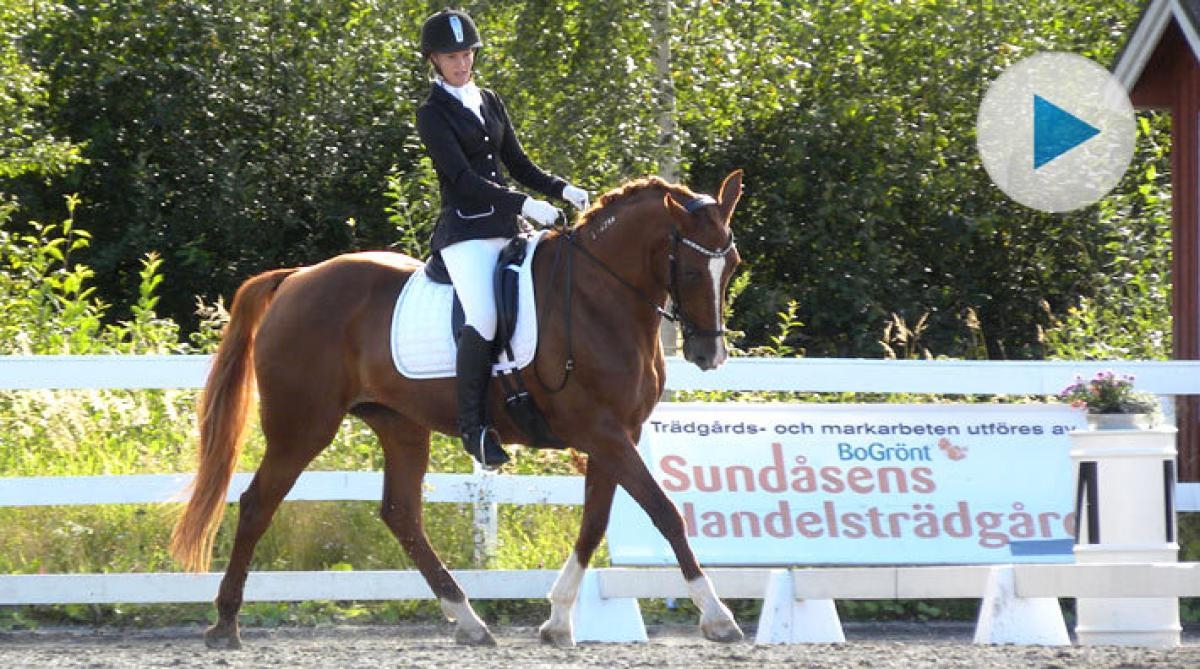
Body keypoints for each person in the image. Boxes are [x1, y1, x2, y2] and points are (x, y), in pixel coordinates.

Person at [416, 8, 589, 469]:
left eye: (467, 54)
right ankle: (473, 428)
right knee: (485, 317)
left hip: (509, 230)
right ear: (434, 60)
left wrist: (560, 188)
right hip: (467, 233)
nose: (461, 63)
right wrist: (524, 205)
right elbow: (462, 178)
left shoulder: (488, 99)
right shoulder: (431, 114)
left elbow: (518, 162)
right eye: (451, 56)